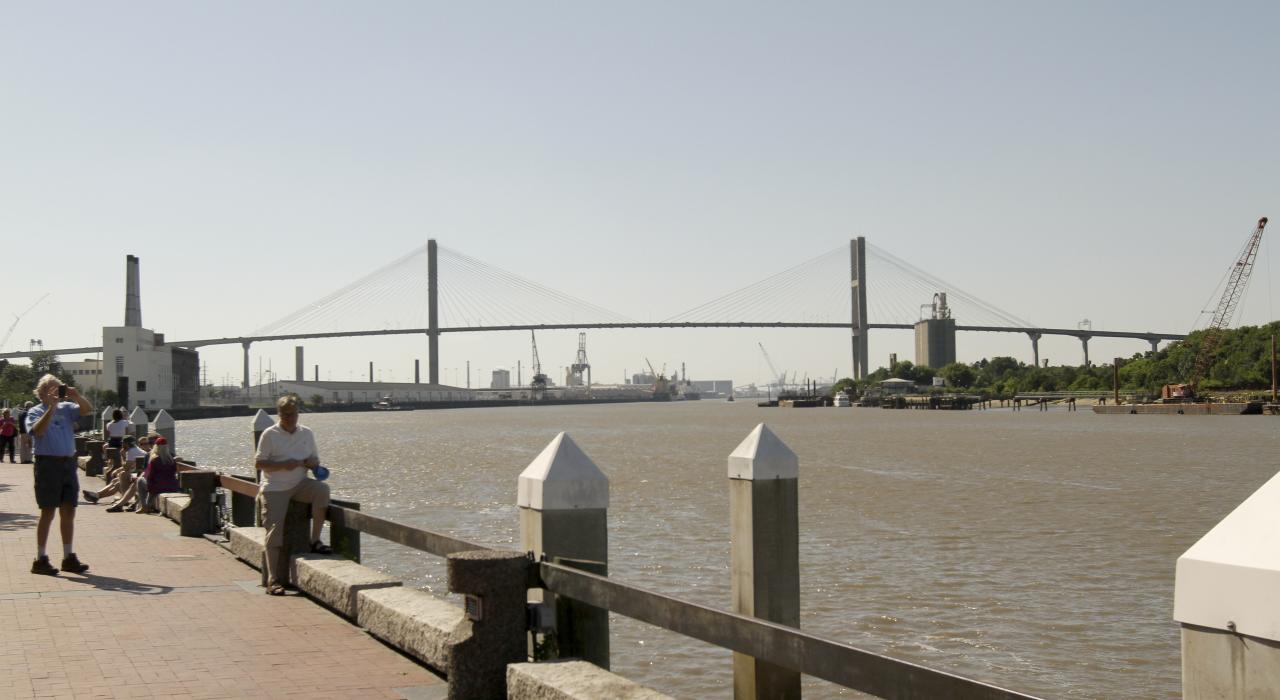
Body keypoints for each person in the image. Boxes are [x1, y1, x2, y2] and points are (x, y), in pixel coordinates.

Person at [254, 395, 332, 595]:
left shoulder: (307, 433)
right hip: (274, 487)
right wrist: (283, 465)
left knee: (322, 490)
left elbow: (315, 459)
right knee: (274, 531)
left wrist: (313, 464)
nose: (290, 418)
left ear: (298, 414)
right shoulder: (269, 434)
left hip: (300, 483)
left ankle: (315, 541)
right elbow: (259, 463)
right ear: (278, 414)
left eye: (293, 414)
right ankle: (273, 580)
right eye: (286, 414)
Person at [26, 374, 93, 575]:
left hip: (67, 463)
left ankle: (68, 556)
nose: (57, 392)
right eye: (53, 389)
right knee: (48, 511)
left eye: (59, 388)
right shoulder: (35, 411)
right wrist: (51, 407)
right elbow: (38, 431)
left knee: (69, 509)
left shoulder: (67, 408)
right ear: (42, 393)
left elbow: (87, 410)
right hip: (47, 464)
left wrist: (76, 395)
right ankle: (40, 558)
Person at [85, 435, 147, 506]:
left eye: (123, 443)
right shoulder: (136, 450)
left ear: (126, 444)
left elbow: (126, 468)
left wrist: (122, 456)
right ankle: (97, 495)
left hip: (139, 475)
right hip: (139, 473)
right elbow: (130, 466)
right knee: (115, 481)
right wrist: (117, 470)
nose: (122, 444)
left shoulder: (130, 452)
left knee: (119, 479)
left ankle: (98, 495)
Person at [134, 436, 178, 514]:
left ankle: (144, 506)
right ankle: (147, 506)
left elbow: (150, 476)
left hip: (157, 487)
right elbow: (174, 472)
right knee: (154, 485)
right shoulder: (171, 459)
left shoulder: (154, 460)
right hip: (172, 486)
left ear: (156, 447)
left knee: (140, 480)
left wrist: (149, 485)